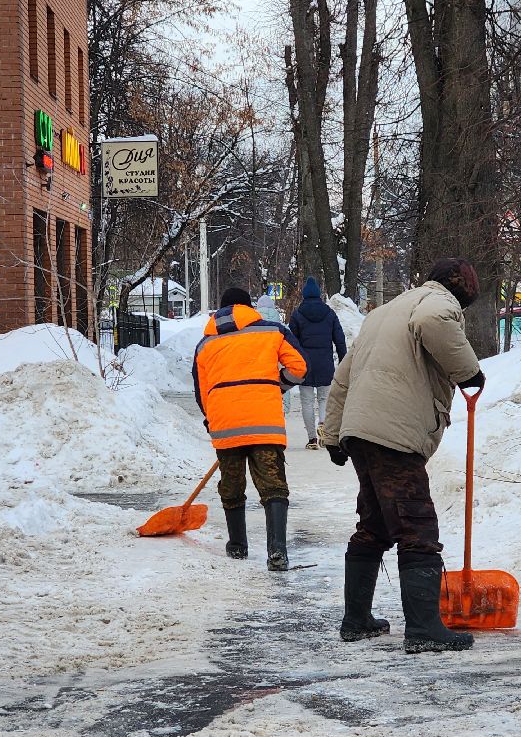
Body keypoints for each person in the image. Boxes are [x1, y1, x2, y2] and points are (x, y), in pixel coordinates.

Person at [321, 258, 485, 652]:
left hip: (363, 429)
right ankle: (425, 629)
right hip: (393, 430)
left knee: (375, 523)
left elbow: (344, 374)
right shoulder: (436, 302)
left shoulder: (384, 314)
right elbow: (433, 323)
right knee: (417, 526)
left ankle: (356, 620)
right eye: (469, 287)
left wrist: (332, 433)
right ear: (453, 282)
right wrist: (469, 371)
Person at [193, 287, 308, 571]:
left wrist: (213, 418)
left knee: (231, 486)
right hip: (265, 422)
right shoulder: (272, 332)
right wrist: (275, 386)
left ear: (219, 312)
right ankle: (277, 552)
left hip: (225, 424)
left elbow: (202, 391)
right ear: (249, 307)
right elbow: (299, 368)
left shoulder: (206, 344)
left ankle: (237, 547)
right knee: (273, 486)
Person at [289, 276, 348, 450]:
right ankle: (323, 426)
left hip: (304, 366)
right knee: (324, 399)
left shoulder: (297, 315)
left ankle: (312, 439)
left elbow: (292, 342)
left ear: (304, 296)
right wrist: (344, 360)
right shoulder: (330, 314)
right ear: (319, 295)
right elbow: (340, 339)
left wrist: (292, 363)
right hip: (325, 365)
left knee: (307, 402)